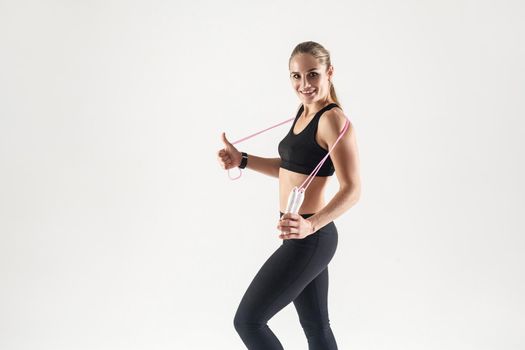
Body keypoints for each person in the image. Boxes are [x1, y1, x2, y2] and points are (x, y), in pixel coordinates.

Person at [216, 41, 361, 350]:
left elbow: (353, 190)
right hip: (297, 235)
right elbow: (290, 168)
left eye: (312, 75)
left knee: (248, 321)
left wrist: (312, 225)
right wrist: (242, 159)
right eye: (296, 76)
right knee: (317, 329)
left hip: (312, 236)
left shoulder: (332, 120)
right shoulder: (304, 112)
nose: (304, 84)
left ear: (329, 73)